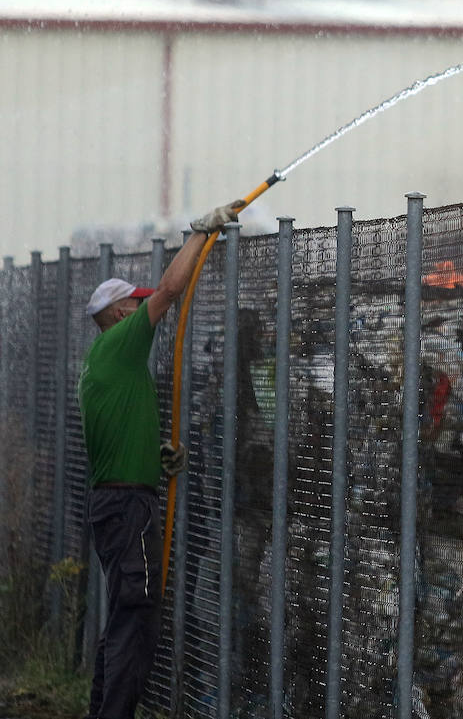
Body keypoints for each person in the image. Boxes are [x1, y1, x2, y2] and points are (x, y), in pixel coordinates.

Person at [78, 199, 243, 719]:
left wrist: (155, 460)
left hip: (120, 501)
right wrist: (199, 233)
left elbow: (114, 438)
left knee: (125, 615)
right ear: (118, 315)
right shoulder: (120, 346)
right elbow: (172, 289)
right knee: (136, 618)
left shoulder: (102, 367)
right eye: (135, 305)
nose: (143, 310)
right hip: (128, 511)